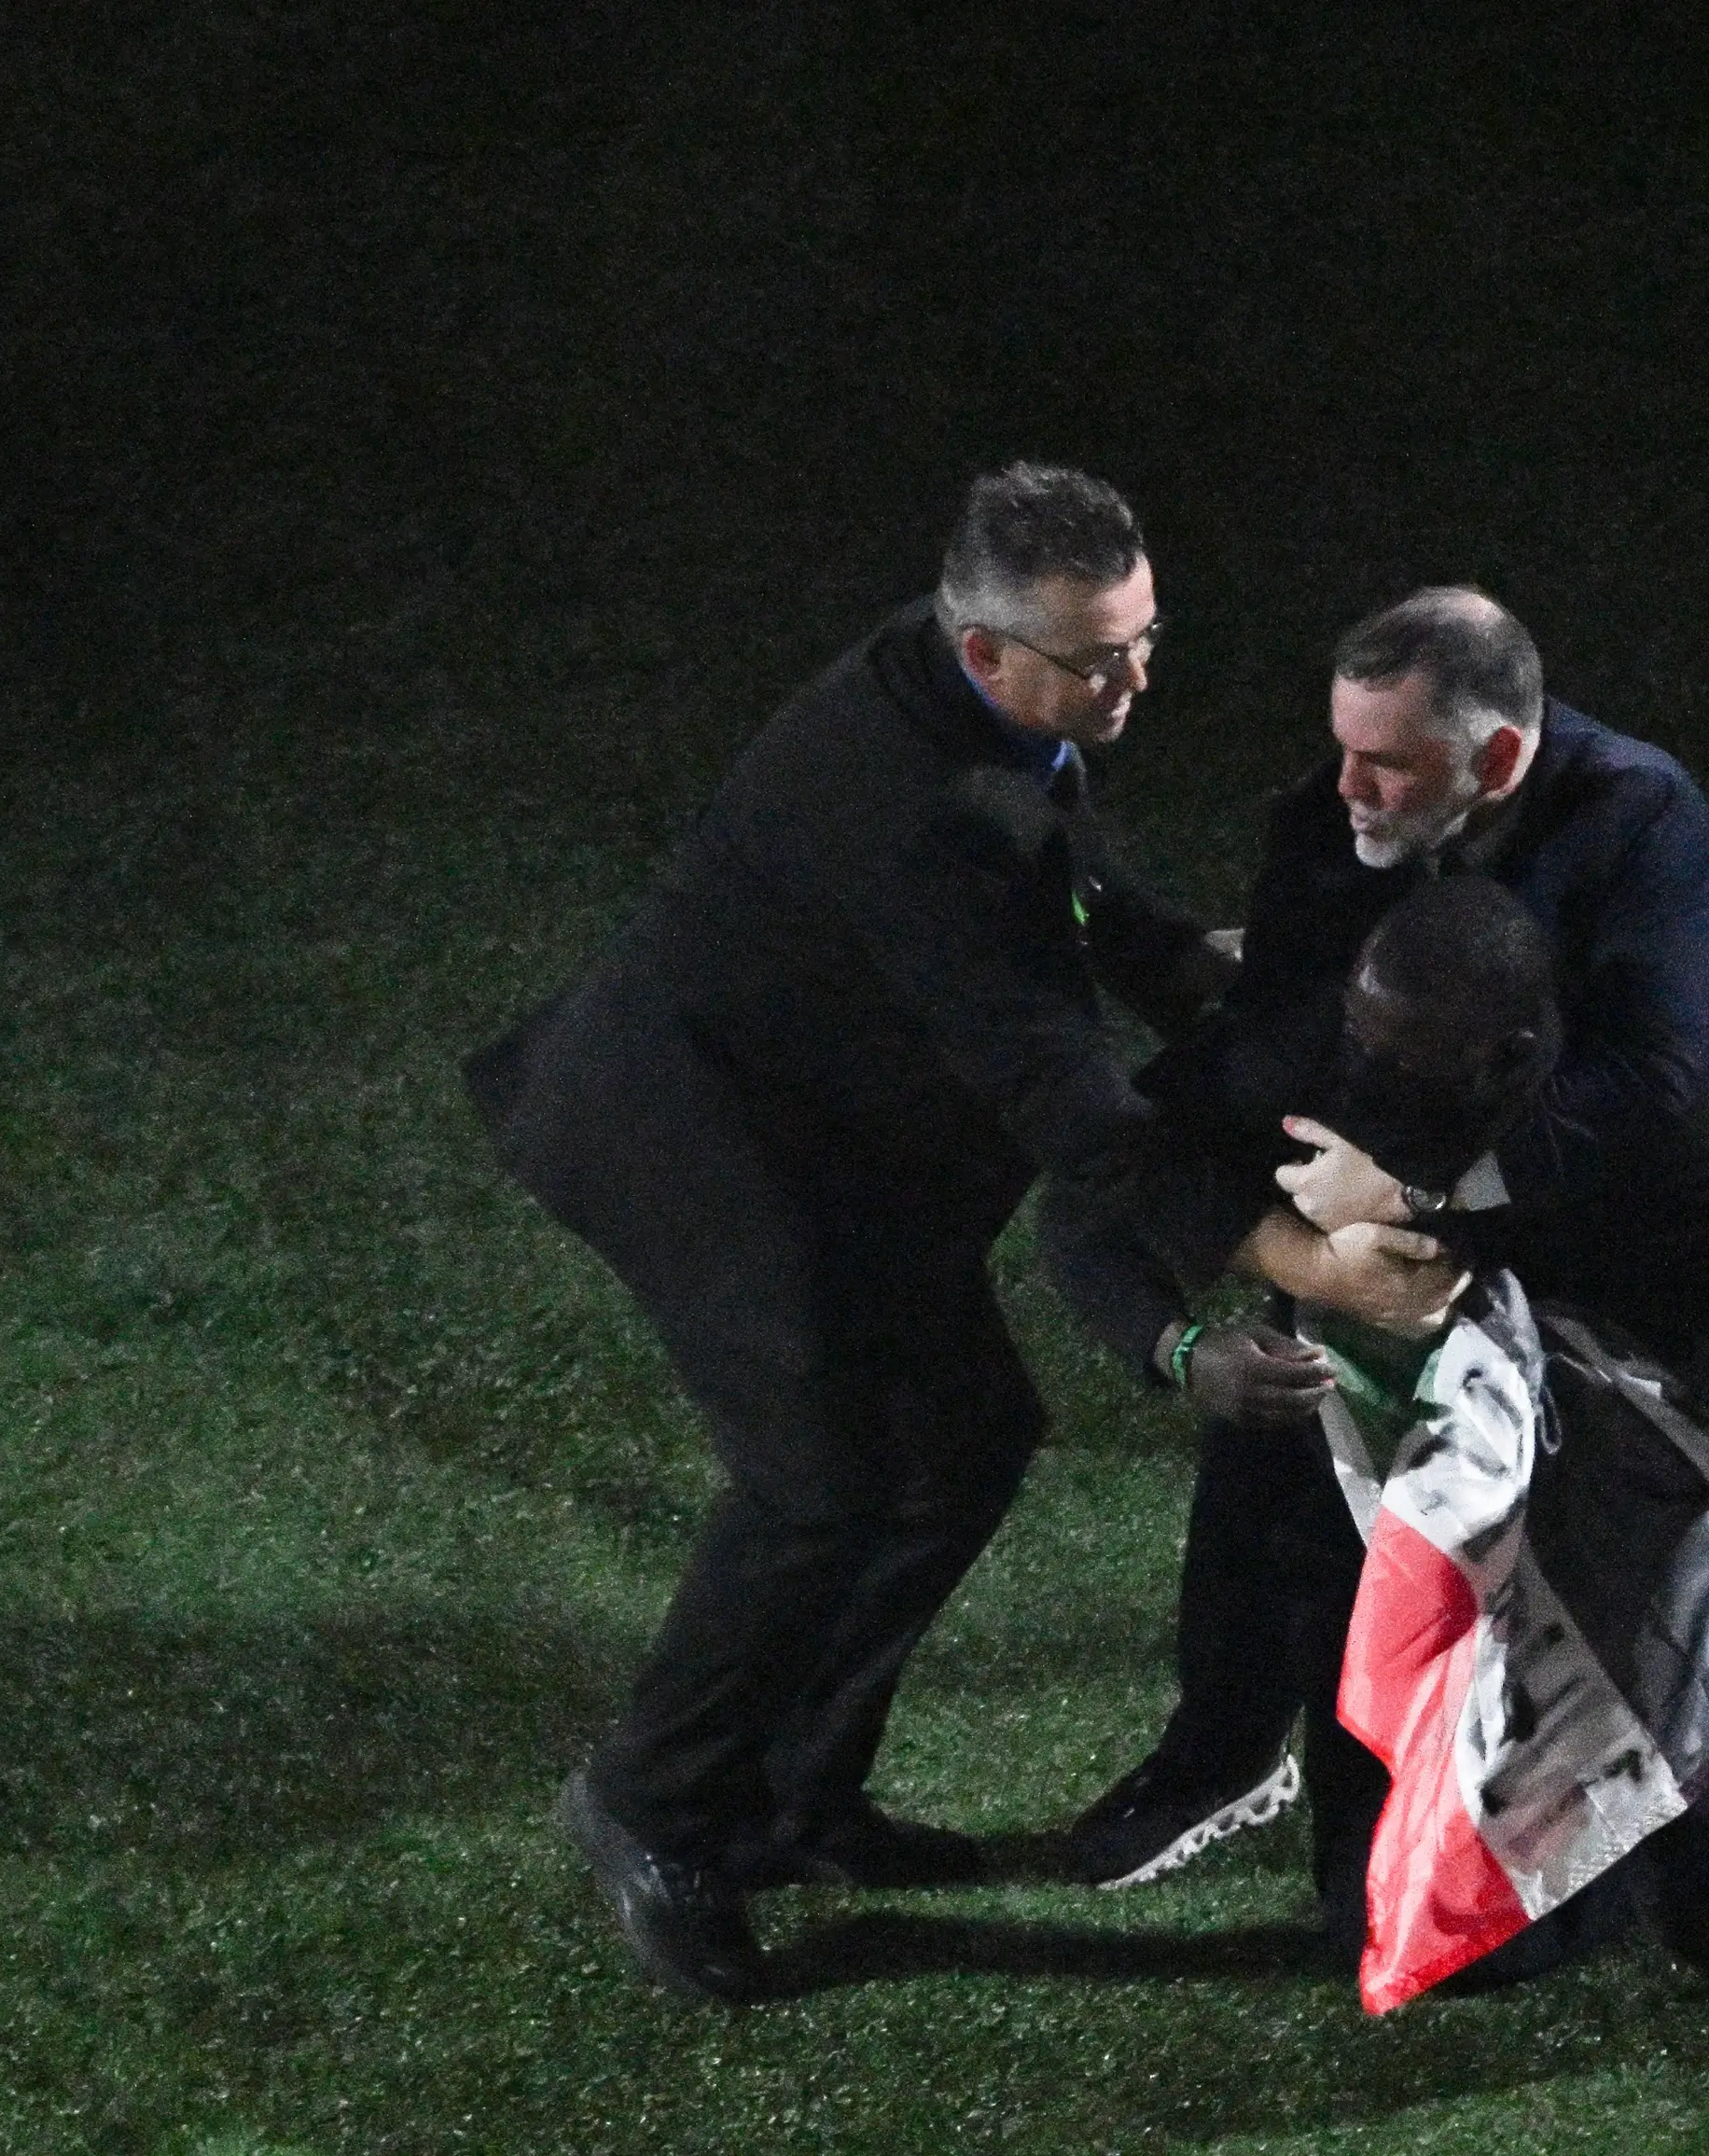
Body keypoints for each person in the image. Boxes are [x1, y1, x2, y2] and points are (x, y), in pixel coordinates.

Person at [462, 463, 1231, 2000]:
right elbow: (1050, 1084)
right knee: (817, 1474)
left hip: (813, 1134)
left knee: (967, 1429)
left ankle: (797, 1791)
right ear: (985, 653)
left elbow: (1058, 861)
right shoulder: (914, 802)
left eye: (1148, 639)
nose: (1139, 680)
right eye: (1104, 659)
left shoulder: (984, 694)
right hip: (687, 1139)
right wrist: (1275, 1251)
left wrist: (1181, 964)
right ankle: (654, 1804)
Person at [1045, 876, 1709, 2100]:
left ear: (1509, 1056)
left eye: (1402, 1054)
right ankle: (1243, 1752)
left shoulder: (1646, 1119)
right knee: (1426, 1935)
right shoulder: (1311, 1053)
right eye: (1360, 1034)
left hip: (1632, 1475)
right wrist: (1181, 1349)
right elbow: (1096, 1194)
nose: (1369, 1071)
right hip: (1417, 1490)